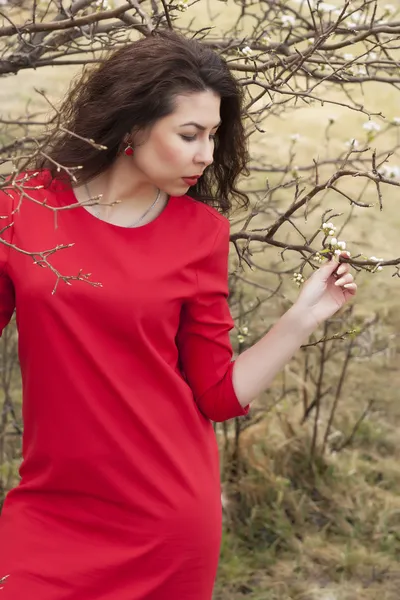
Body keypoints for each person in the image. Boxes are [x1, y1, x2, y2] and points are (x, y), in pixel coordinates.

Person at [0, 30, 356, 600]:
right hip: (48, 508)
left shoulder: (199, 234)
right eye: (189, 135)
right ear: (133, 125)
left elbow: (215, 394)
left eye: (213, 136)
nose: (207, 155)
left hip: (165, 519)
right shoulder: (26, 208)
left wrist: (302, 317)